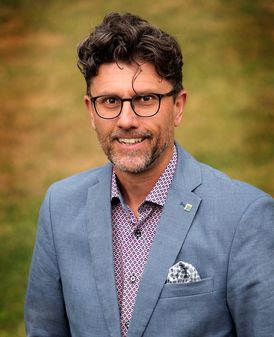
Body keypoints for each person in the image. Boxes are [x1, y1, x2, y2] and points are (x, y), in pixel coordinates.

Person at [25, 12, 274, 337]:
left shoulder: (245, 216)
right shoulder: (59, 208)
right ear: (91, 110)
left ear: (179, 106)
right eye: (111, 101)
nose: (126, 120)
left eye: (145, 99)